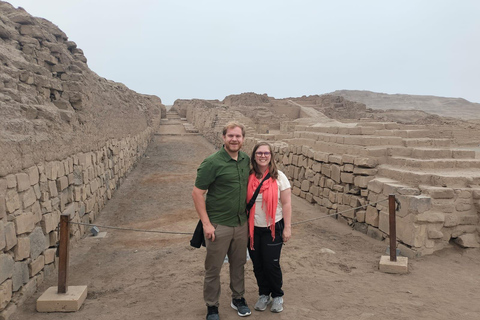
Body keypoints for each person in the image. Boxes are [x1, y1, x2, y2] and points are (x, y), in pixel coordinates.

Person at [192, 122, 251, 320]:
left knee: (238, 264)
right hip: (219, 225)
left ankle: (238, 298)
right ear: (223, 137)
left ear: (243, 139)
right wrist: (207, 224)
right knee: (213, 268)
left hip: (241, 224)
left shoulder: (245, 159)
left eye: (238, 136)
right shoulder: (212, 162)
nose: (234, 139)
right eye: (231, 136)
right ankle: (212, 306)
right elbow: (198, 193)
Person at [247, 142, 292, 313]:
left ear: (271, 156)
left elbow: (286, 204)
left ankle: (277, 295)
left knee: (271, 264)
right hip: (252, 229)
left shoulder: (279, 177)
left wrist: (287, 228)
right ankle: (263, 293)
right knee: (257, 264)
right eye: (259, 153)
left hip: (273, 227)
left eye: (266, 153)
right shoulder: (248, 176)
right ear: (254, 156)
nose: (263, 156)